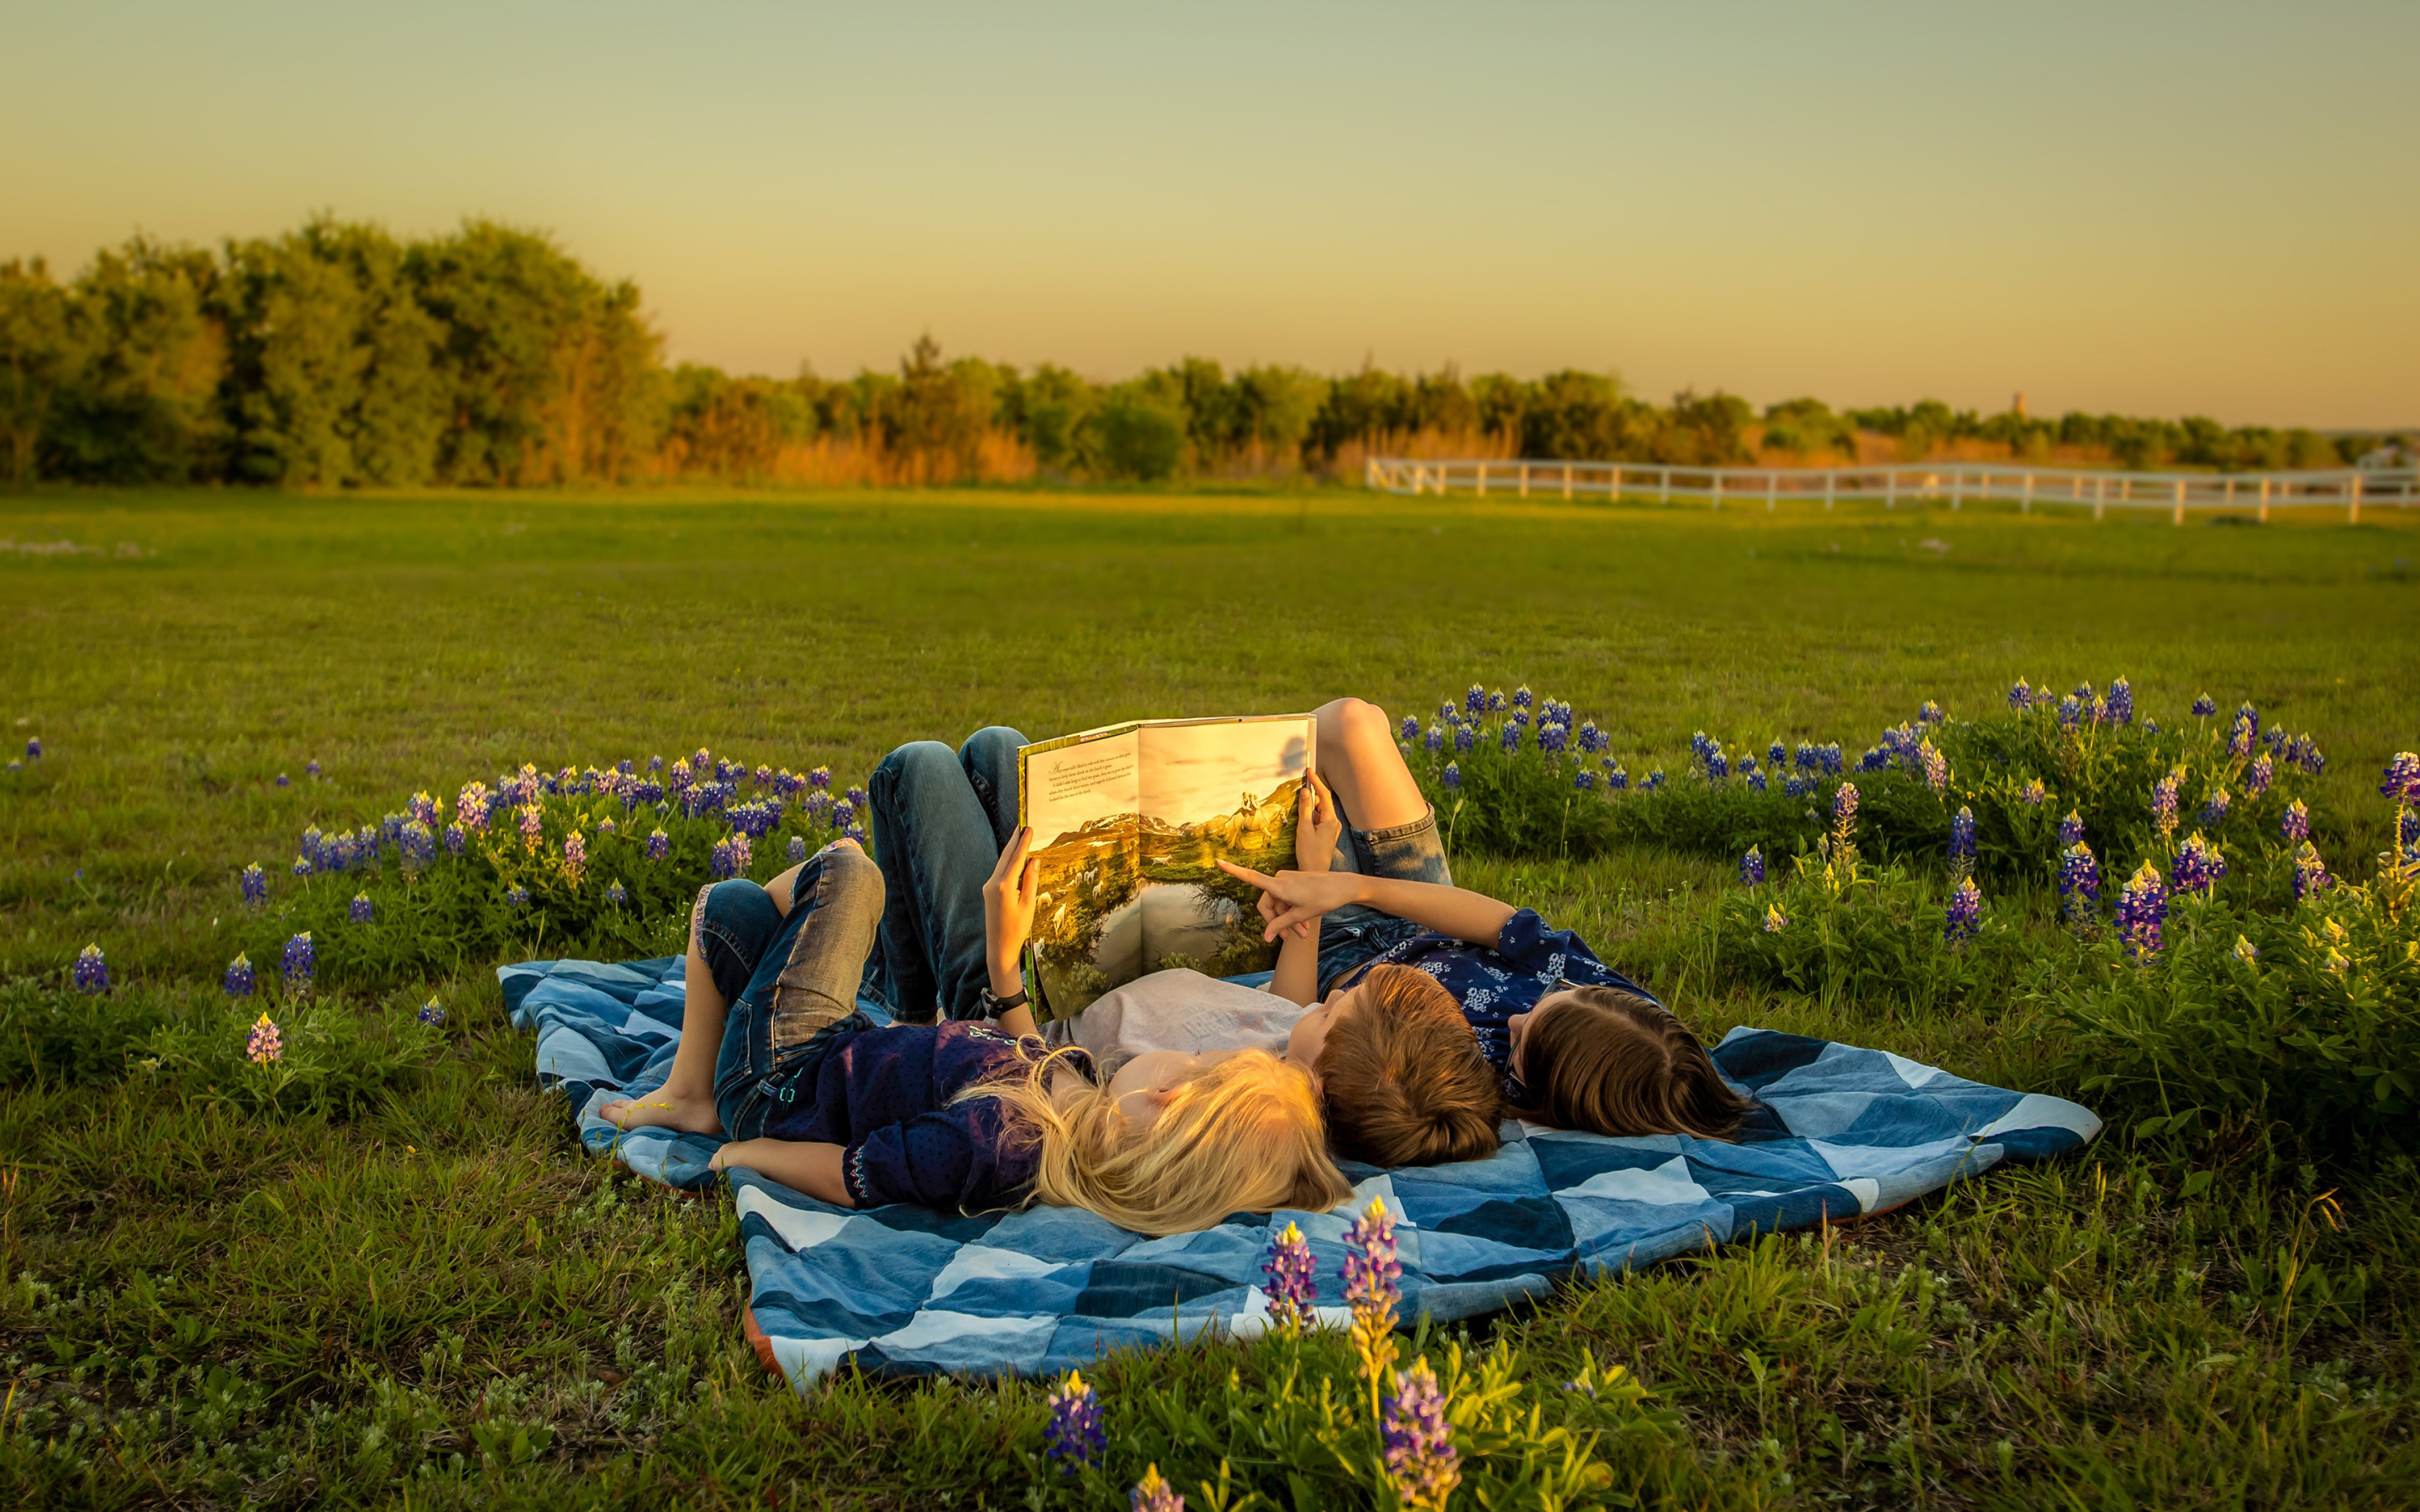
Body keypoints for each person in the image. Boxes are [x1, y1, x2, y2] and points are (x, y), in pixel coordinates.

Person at [599, 839, 1351, 1236]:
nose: (1180, 1049)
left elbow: (856, 1173)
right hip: (837, 1046)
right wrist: (1003, 964)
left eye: (1195, 1056)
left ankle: (704, 1098)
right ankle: (698, 1088)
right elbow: (1014, 1049)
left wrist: (745, 1152)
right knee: (733, 913)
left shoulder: (1001, 1142)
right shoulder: (1078, 1099)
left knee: (850, 873)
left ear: (1166, 1091)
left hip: (785, 1081)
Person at [863, 728, 1502, 1168]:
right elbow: (1289, 1006)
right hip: (1080, 960)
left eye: (1337, 1011)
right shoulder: (1300, 1044)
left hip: (1012, 1016)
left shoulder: (1220, 1110)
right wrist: (1304, 885)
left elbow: (1065, 1107)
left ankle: (913, 1016)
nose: (1333, 997)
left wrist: (1004, 971)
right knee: (998, 749)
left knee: (916, 767)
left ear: (1319, 1080)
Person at [1217, 696, 1754, 1142]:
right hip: (1424, 904)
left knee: (1253, 813)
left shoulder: (1471, 1085)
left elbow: (1296, 1022)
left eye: (1519, 1047)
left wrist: (1309, 895)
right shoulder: (1626, 1024)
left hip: (1334, 956)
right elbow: (1498, 925)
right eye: (1546, 1003)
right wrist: (1352, 886)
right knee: (1353, 723)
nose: (1518, 1021)